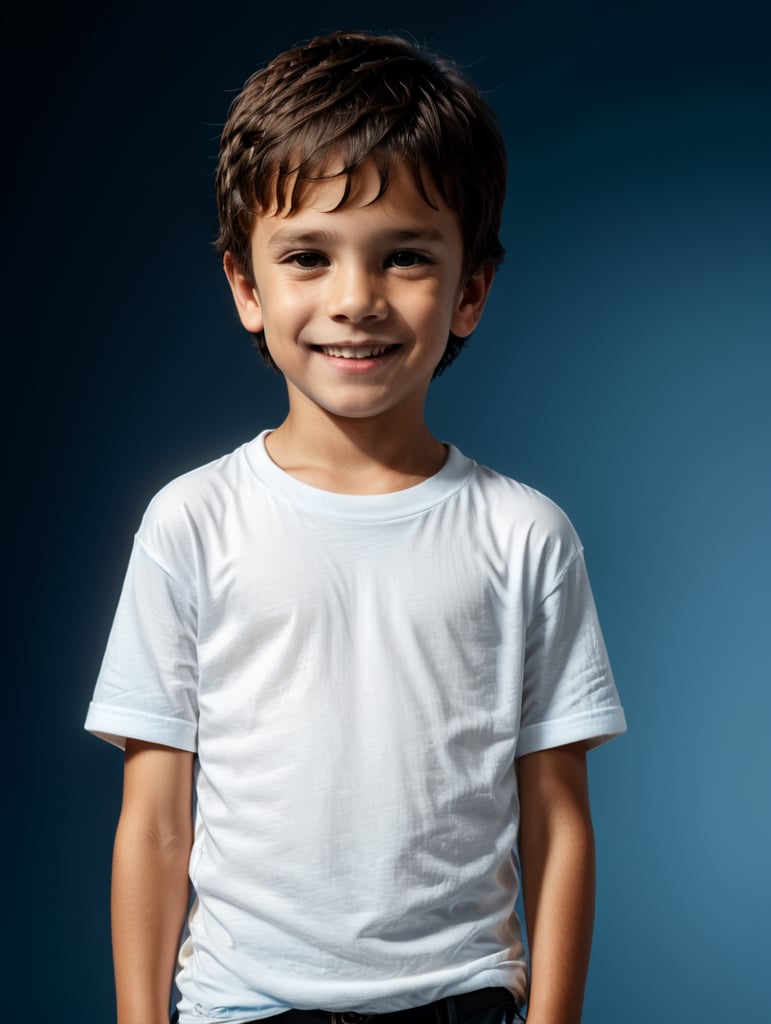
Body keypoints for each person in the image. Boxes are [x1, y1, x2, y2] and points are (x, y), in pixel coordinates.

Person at [85, 29, 627, 1024]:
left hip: (458, 1002)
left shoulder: (523, 535)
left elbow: (557, 822)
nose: (355, 301)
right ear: (247, 287)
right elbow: (156, 821)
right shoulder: (192, 521)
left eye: (406, 257)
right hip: (240, 1008)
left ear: (471, 289)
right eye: (306, 256)